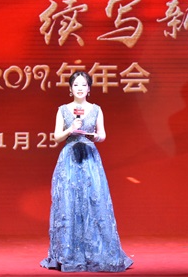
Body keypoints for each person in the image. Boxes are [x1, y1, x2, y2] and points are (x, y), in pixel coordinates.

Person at [41, 71, 133, 273]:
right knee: (68, 204)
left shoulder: (96, 109)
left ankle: (97, 253)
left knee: (95, 202)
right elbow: (56, 137)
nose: (80, 88)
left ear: (89, 89)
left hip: (90, 159)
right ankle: (67, 255)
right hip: (69, 160)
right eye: (76, 85)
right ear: (70, 88)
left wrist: (94, 136)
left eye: (84, 85)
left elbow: (103, 135)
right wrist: (71, 129)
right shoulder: (63, 110)